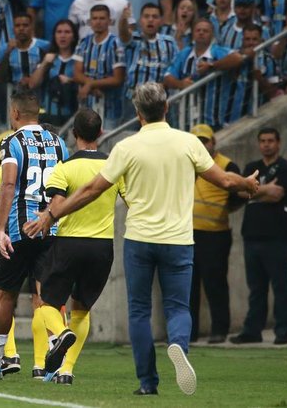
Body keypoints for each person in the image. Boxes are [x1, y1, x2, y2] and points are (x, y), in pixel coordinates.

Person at [29, 82, 259, 395]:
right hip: (178, 238)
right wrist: (246, 182)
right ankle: (178, 345)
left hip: (139, 239)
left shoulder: (126, 148)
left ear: (138, 115)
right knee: (178, 307)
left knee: (139, 311)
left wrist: (53, 214)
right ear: (167, 108)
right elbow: (223, 180)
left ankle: (147, 383)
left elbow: (91, 190)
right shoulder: (188, 142)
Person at [23, 108, 125, 384]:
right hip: (102, 247)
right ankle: (66, 370)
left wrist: (44, 221)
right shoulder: (113, 168)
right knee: (82, 308)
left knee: (46, 303)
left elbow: (56, 207)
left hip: (69, 243)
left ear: (74, 134)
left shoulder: (64, 168)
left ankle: (59, 334)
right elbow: (131, 201)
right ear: (101, 133)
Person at [0, 91, 69, 380]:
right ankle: (51, 353)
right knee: (47, 297)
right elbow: (64, 185)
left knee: (5, 295)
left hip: (18, 228)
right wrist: (51, 218)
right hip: (50, 227)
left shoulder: (11, 142)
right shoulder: (59, 142)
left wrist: (1, 228)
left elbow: (8, 184)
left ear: (14, 113)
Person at [231, 128, 287, 345]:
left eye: (271, 141)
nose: (266, 144)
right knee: (256, 287)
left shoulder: (286, 168)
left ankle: (282, 331)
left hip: (278, 237)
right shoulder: (252, 168)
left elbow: (277, 194)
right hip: (252, 236)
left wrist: (255, 191)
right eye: (263, 141)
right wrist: (264, 189)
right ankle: (252, 330)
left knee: (281, 286)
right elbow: (240, 193)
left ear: (278, 143)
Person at [187, 124, 243, 344]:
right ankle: (190, 333)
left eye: (205, 140)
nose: (201, 145)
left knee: (215, 283)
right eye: (197, 141)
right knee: (189, 286)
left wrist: (223, 210)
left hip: (215, 235)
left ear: (213, 142)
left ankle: (220, 330)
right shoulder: (187, 164)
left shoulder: (226, 164)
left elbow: (239, 195)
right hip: (188, 235)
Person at [163, 18, 244, 130]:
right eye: (198, 30)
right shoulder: (185, 54)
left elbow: (237, 58)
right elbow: (167, 77)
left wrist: (212, 66)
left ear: (212, 35)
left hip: (213, 120)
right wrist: (181, 84)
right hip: (187, 120)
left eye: (205, 31)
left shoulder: (217, 51)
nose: (201, 33)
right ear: (193, 34)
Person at [118, 3, 178, 121]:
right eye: (146, 16)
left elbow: (175, 67)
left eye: (155, 17)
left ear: (161, 21)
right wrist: (124, 19)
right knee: (131, 135)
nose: (150, 20)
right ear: (141, 20)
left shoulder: (169, 42)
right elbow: (124, 35)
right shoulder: (133, 39)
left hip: (160, 100)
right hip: (133, 99)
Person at [72, 4, 126, 130]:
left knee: (108, 144)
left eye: (102, 18)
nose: (98, 22)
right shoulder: (84, 42)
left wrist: (90, 85)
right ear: (90, 21)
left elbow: (118, 78)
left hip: (110, 107)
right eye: (95, 18)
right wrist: (91, 85)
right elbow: (76, 74)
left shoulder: (116, 44)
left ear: (109, 21)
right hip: (87, 105)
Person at [29, 19, 79, 124]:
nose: (62, 36)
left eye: (67, 32)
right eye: (59, 32)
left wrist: (71, 81)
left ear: (74, 36)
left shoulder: (78, 60)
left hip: (73, 117)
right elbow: (32, 84)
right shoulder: (48, 58)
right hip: (49, 116)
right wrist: (44, 64)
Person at [0, 13, 50, 94]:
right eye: (17, 26)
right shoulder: (5, 48)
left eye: (25, 25)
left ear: (32, 27)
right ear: (13, 28)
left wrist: (33, 80)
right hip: (14, 96)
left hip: (40, 96)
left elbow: (51, 72)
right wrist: (7, 53)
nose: (21, 28)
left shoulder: (44, 46)